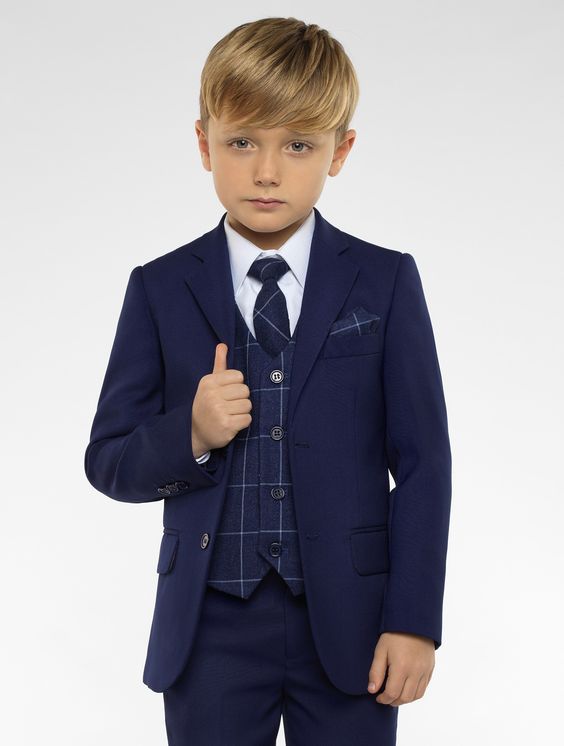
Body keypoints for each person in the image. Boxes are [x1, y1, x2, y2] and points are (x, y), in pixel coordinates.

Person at [84, 16, 452, 746]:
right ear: (203, 144)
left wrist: (413, 620)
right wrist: (190, 433)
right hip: (209, 626)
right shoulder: (158, 288)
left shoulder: (384, 281)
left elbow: (423, 463)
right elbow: (109, 460)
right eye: (242, 142)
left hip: (352, 625)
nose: (266, 172)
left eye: (299, 145)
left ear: (341, 150)